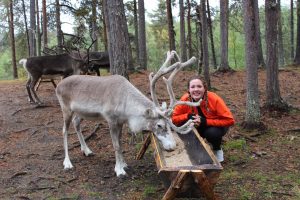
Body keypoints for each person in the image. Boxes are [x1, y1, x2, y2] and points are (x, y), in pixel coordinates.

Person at [172, 76, 235, 162]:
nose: (196, 89)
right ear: (189, 90)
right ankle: (195, 147)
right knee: (183, 124)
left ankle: (217, 149)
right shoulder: (185, 99)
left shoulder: (214, 98)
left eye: (199, 86)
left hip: (215, 126)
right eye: (192, 87)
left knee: (212, 133)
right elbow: (173, 118)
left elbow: (229, 120)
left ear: (204, 88)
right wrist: (187, 116)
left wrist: (205, 121)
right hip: (197, 126)